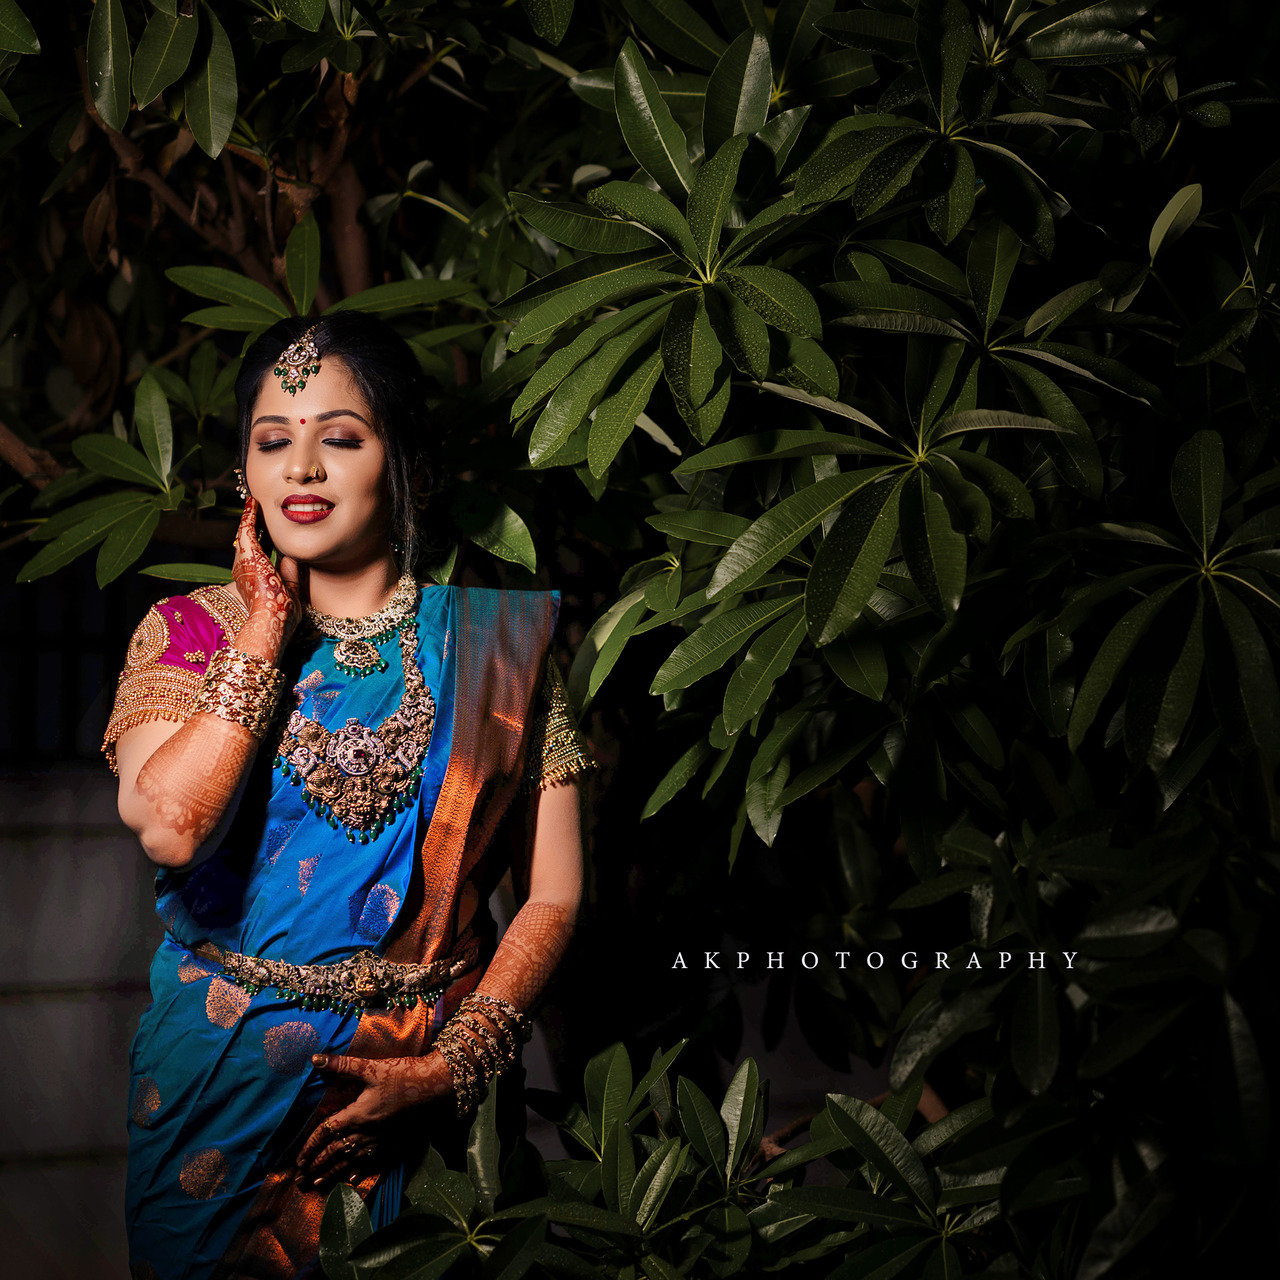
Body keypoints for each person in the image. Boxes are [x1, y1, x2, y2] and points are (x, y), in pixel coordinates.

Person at [103, 312, 592, 1280]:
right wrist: (261, 636)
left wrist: (449, 1069)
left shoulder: (498, 649)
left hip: (420, 1083)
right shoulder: (191, 632)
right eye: (273, 441)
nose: (302, 469)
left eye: (340, 437)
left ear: (400, 459)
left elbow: (554, 892)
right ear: (244, 468)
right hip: (216, 1084)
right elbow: (169, 825)